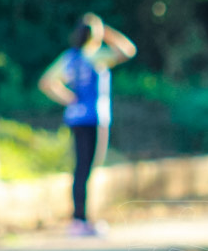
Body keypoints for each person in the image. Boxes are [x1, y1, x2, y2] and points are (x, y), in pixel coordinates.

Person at [39, 12, 137, 236]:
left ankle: (81, 219)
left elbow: (47, 82)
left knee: (81, 169)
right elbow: (128, 51)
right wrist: (108, 33)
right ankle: (80, 220)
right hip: (92, 118)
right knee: (87, 169)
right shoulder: (95, 57)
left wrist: (68, 98)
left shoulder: (70, 58)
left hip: (75, 118)